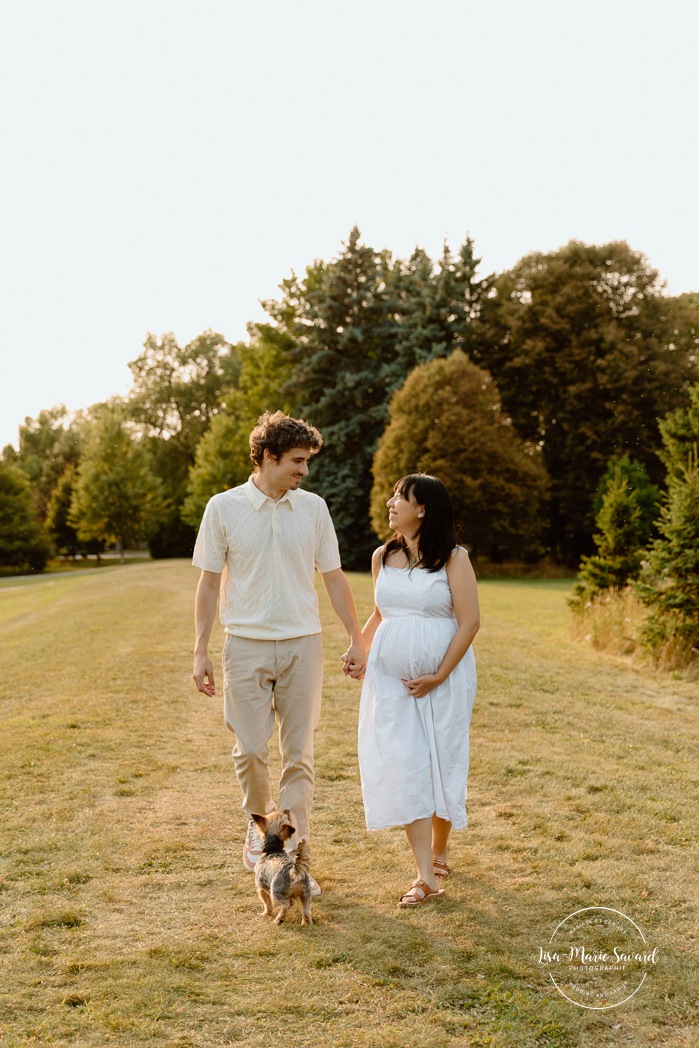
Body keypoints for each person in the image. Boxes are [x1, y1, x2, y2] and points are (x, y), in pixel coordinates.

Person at [192, 410, 365, 896]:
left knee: (299, 755)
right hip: (244, 645)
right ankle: (259, 823)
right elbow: (208, 583)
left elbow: (334, 578)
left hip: (302, 644)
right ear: (268, 457)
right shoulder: (223, 508)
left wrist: (356, 637)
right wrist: (200, 650)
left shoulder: (314, 509)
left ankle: (294, 854)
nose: (304, 470)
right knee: (249, 748)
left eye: (306, 461)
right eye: (297, 461)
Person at [346, 473, 479, 907]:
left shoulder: (453, 557)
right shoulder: (382, 556)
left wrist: (438, 675)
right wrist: (359, 648)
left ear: (422, 509)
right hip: (390, 681)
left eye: (399, 497)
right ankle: (425, 875)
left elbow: (469, 623)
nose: (390, 502)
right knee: (405, 765)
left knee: (440, 763)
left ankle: (439, 853)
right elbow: (381, 613)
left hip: (445, 680)